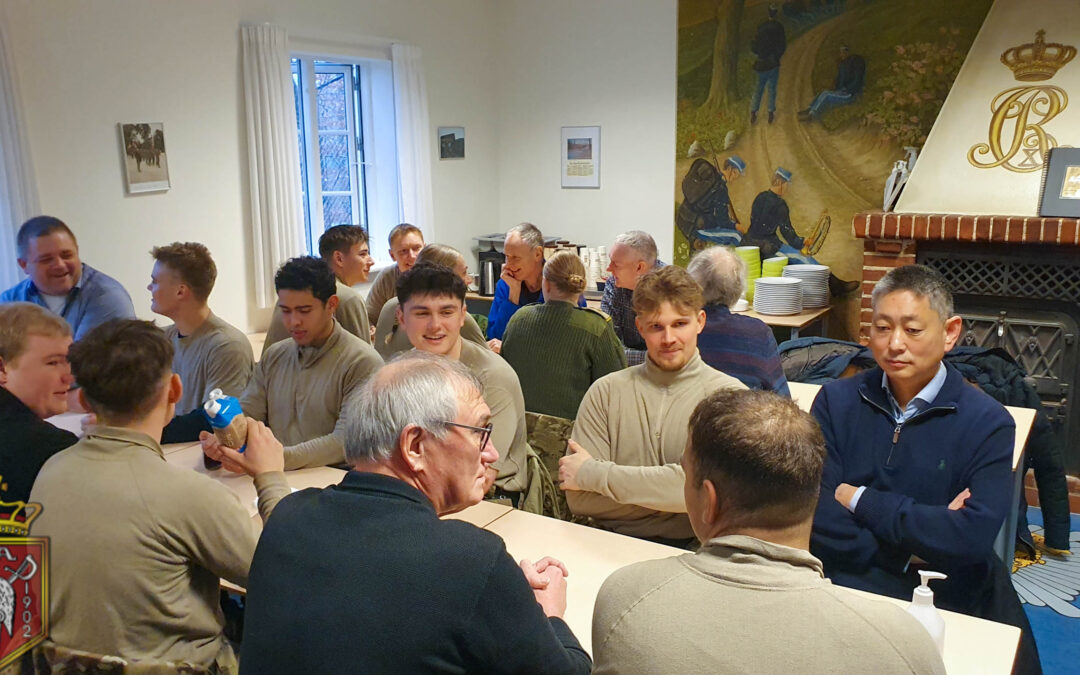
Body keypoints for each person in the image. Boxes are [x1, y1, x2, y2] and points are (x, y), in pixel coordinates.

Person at [239, 353, 591, 674]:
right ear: (415, 446)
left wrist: (503, 591)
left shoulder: (286, 518)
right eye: (481, 433)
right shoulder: (473, 562)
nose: (492, 454)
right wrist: (548, 614)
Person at [592, 389, 945, 675]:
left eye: (686, 475)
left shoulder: (626, 599)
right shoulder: (901, 645)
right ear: (812, 492)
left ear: (709, 501)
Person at [810, 264, 1042, 674]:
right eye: (882, 328)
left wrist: (859, 498)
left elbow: (969, 539)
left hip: (948, 593)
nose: (894, 344)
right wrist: (912, 549)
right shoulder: (835, 401)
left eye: (913, 330)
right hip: (849, 582)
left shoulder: (988, 422)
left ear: (950, 333)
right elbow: (814, 514)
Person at [30, 319, 289, 672]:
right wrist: (270, 477)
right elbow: (289, 575)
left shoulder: (50, 472)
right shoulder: (192, 496)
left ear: (86, 400)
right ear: (174, 389)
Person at [560, 266, 745, 545]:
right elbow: (580, 500)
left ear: (700, 322)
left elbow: (719, 501)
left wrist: (592, 475)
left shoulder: (730, 399)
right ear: (640, 327)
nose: (668, 339)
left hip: (696, 552)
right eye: (657, 327)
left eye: (679, 324)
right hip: (606, 545)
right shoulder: (604, 392)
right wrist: (677, 501)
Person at [203, 256, 383, 469]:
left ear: (331, 305)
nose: (293, 321)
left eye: (304, 311)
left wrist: (273, 460)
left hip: (334, 480)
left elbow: (343, 441)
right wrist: (224, 440)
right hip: (275, 473)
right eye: (285, 311)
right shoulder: (274, 355)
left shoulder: (362, 362)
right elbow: (248, 414)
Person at [397, 262, 530, 504]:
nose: (435, 325)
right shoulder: (401, 372)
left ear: (462, 315)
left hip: (491, 499)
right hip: (415, 492)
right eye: (422, 313)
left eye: (446, 312)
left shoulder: (492, 378)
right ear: (401, 318)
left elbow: (481, 478)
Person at [147, 243, 254, 443]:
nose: (149, 287)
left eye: (154, 281)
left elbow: (213, 420)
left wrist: (144, 432)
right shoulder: (163, 339)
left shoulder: (227, 346)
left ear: (180, 291)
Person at [502, 250, 625, 419]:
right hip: (573, 432)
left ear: (546, 284)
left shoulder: (519, 319)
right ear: (582, 286)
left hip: (518, 428)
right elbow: (616, 390)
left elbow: (505, 378)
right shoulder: (596, 328)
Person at [1, 215, 135, 340]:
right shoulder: (9, 302)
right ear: (24, 265)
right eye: (46, 259)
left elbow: (87, 356)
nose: (59, 265)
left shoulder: (107, 297)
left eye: (67, 255)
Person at [0, 303, 77, 502]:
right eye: (53, 362)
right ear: (2, 368)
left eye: (68, 361)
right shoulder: (53, 448)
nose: (69, 377)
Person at [687, 246, 789, 394]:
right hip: (741, 408)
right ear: (738, 289)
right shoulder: (757, 332)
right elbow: (781, 397)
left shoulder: (679, 331)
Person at [744, 167, 859, 296]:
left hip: (749, 241)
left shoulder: (760, 197)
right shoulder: (780, 205)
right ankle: (835, 285)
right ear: (781, 183)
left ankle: (834, 284)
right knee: (804, 260)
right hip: (768, 246)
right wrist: (802, 242)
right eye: (787, 184)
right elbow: (787, 232)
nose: (787, 188)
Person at [263, 224, 374, 354]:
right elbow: (363, 359)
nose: (371, 261)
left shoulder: (294, 292)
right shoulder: (349, 298)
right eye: (363, 254)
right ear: (339, 258)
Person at [374, 243, 486, 360]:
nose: (468, 280)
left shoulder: (390, 306)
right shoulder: (459, 318)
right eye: (464, 273)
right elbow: (482, 359)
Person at [600, 230, 665, 366]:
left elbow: (677, 353)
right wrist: (655, 358)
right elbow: (608, 348)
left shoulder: (673, 289)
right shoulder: (614, 284)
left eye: (616, 264)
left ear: (640, 267)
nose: (609, 269)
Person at [486, 222, 546, 344]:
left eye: (515, 258)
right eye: (507, 257)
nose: (508, 265)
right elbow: (495, 337)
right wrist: (513, 293)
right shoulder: (506, 283)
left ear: (538, 254)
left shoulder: (558, 282)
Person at [365, 223, 425, 326]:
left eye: (416, 248)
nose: (412, 256)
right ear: (392, 255)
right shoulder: (386, 277)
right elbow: (369, 317)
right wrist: (372, 330)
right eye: (404, 251)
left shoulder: (441, 275)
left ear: (425, 248)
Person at [798, 44, 866, 121]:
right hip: (843, 92)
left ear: (848, 52)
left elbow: (857, 80)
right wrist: (838, 88)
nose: (842, 54)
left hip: (851, 95)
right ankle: (809, 109)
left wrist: (846, 89)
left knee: (827, 95)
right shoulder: (843, 64)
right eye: (841, 52)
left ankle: (812, 115)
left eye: (844, 51)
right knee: (823, 92)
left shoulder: (856, 62)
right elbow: (839, 82)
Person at [749, 4, 786, 125]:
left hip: (761, 63)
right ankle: (770, 112)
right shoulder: (779, 27)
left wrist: (760, 53)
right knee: (772, 88)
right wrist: (776, 56)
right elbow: (782, 46)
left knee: (758, 88)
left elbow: (754, 46)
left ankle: (753, 112)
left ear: (768, 13)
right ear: (776, 14)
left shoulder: (761, 27)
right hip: (773, 63)